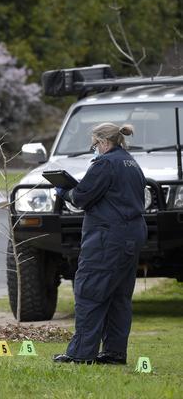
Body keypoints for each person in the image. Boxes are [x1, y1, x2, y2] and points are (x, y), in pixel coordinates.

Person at [53, 123, 147, 365]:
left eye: (94, 144)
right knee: (118, 297)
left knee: (90, 292)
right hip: (131, 235)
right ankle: (114, 353)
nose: (93, 149)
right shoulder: (131, 162)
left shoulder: (105, 163)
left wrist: (64, 190)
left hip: (108, 238)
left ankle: (81, 354)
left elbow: (82, 197)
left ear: (104, 143)